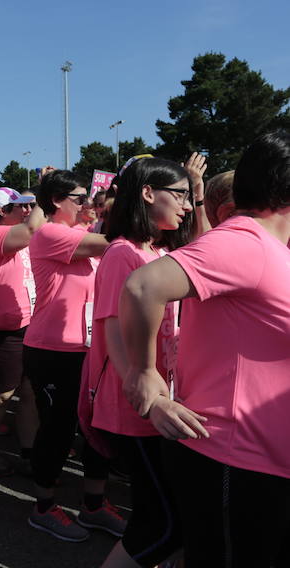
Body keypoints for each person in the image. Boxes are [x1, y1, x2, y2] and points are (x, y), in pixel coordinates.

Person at [120, 131, 290, 567]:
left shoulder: (267, 247)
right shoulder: (246, 242)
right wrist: (143, 376)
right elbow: (142, 287)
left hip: (260, 460)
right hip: (235, 459)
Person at [84, 155, 204, 568]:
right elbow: (113, 331)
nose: (187, 205)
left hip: (156, 401)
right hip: (136, 406)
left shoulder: (155, 250)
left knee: (160, 516)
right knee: (164, 525)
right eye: (181, 195)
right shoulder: (123, 253)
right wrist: (146, 396)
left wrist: (200, 195)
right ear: (148, 193)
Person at [22, 170, 125, 542]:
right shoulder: (50, 233)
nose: (87, 203)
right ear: (55, 201)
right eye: (79, 197)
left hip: (90, 347)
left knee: (99, 425)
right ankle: (44, 506)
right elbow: (114, 241)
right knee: (58, 430)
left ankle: (94, 505)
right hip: (52, 350)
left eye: (88, 197)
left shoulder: (82, 235)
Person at [0, 186, 45, 478]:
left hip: (29, 324)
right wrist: (46, 194)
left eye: (30, 206)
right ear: (2, 212)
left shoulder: (20, 237)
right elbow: (31, 229)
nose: (28, 211)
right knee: (1, 393)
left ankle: (28, 451)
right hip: (3, 330)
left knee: (28, 392)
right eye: (21, 207)